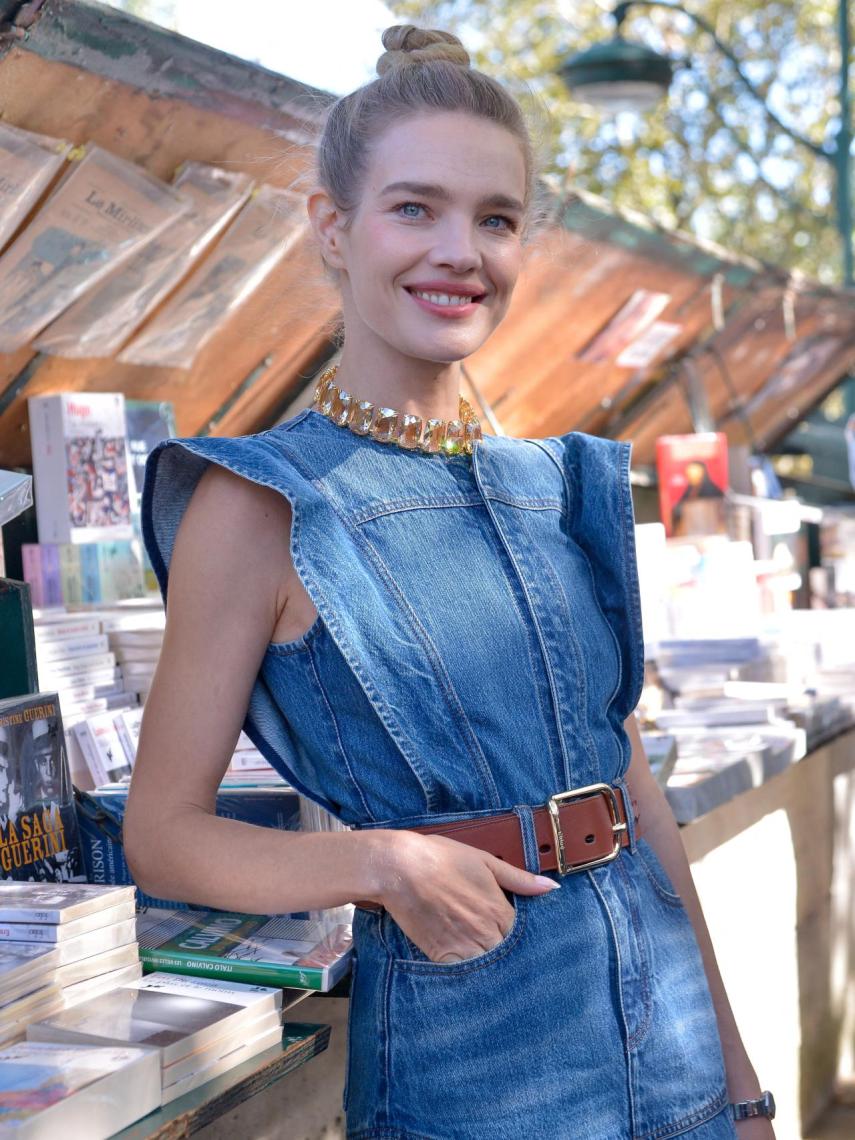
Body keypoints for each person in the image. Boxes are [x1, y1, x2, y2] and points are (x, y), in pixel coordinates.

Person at [125, 25, 775, 1139]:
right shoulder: (258, 503)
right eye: (414, 208)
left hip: (665, 1031)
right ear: (334, 228)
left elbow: (631, 787)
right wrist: (375, 863)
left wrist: (740, 1077)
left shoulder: (551, 483)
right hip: (472, 1055)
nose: (460, 252)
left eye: (497, 219)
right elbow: (164, 833)